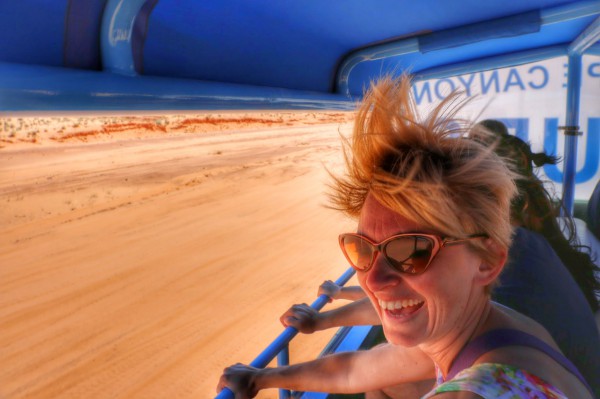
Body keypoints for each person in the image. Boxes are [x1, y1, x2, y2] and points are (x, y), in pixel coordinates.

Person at [217, 76, 595, 398]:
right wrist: (263, 377)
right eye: (362, 249)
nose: (374, 279)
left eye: (413, 250)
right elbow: (355, 369)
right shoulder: (491, 325)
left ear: (488, 261)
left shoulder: (478, 387)